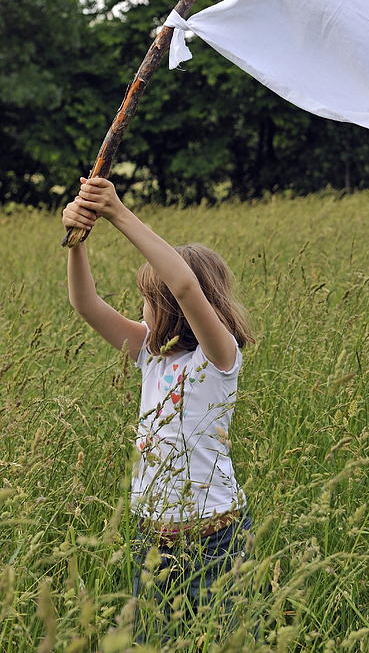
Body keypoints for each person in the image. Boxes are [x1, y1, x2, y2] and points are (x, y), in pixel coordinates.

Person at [62, 175, 255, 645]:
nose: (140, 307)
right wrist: (77, 242)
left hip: (215, 542)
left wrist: (118, 212)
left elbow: (187, 286)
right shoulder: (151, 354)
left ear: (171, 305)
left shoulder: (218, 358)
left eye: (148, 299)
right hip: (154, 542)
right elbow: (85, 304)